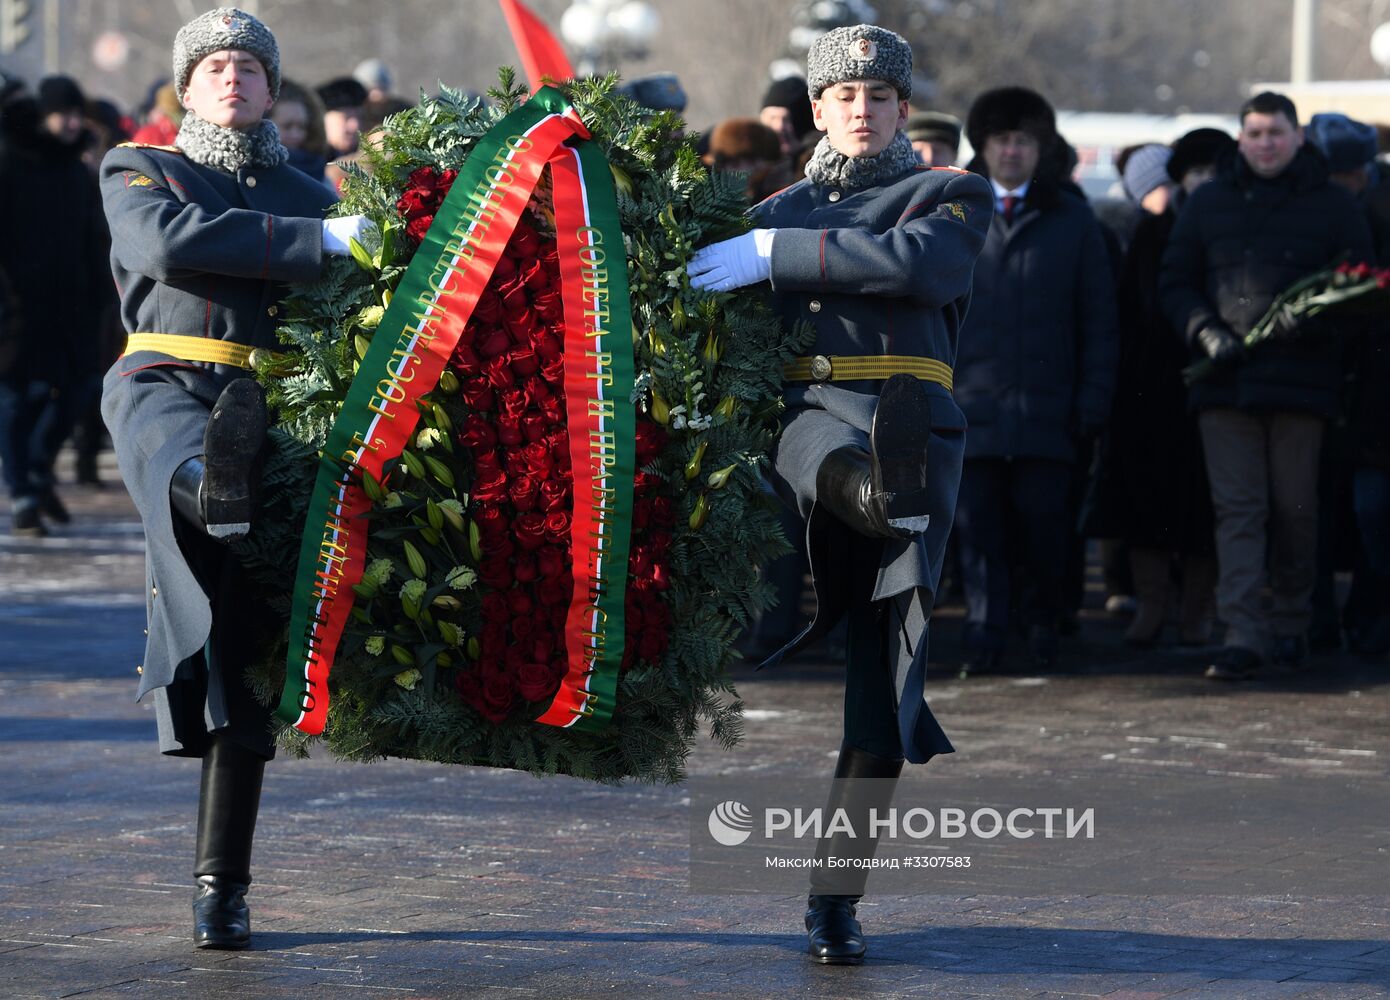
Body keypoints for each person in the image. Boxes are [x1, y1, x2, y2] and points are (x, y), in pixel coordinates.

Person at [689, 24, 991, 964]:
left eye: (880, 95)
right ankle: (866, 491)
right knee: (829, 452)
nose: (862, 109)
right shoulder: (771, 210)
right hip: (810, 412)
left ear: (904, 108)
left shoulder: (950, 195)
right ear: (816, 110)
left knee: (885, 687)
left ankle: (834, 898)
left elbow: (920, 269)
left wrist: (779, 254)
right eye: (844, 95)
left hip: (912, 416)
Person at [99, 6, 373, 948]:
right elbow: (169, 245)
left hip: (277, 410)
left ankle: (222, 883)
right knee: (185, 458)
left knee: (241, 657)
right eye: (212, 64)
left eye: (249, 66)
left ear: (271, 88)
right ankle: (208, 484)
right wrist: (320, 242)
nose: (230, 77)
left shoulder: (315, 187)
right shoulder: (141, 167)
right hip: (164, 381)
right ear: (186, 86)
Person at [1159, 91, 1374, 680]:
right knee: (1239, 510)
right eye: (1254, 133)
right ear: (1241, 138)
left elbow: (1362, 289)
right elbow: (1175, 281)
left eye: (1275, 132)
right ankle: (1245, 633)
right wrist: (1204, 332)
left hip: (1303, 386)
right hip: (1225, 383)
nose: (1265, 143)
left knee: (1296, 510)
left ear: (1297, 136)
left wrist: (1315, 321)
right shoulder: (1208, 203)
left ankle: (1291, 624)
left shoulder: (1333, 205)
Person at [951, 86, 1118, 675]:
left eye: (1023, 140)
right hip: (971, 409)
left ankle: (1043, 622)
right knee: (979, 532)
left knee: (1046, 528)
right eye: (1002, 140)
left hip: (1050, 412)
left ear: (1039, 146)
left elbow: (1098, 320)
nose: (1012, 151)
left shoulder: (1072, 219)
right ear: (985, 145)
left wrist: (1093, 401)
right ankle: (984, 631)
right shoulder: (955, 215)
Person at [1090, 131, 1233, 646]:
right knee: (1144, 500)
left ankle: (1196, 609)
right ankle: (1151, 604)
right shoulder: (1152, 233)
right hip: (1148, 388)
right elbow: (1126, 310)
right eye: (1193, 174)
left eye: (1210, 174)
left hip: (1211, 380)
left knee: (1201, 503)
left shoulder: (1227, 226)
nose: (1201, 183)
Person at [0, 75, 111, 536]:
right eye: (61, 113)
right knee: (13, 403)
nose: (70, 122)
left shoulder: (75, 169)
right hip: (14, 309)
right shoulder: (9, 163)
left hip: (71, 308)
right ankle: (23, 493)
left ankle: (39, 473)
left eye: (75, 113)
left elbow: (92, 237)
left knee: (78, 393)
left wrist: (100, 293)